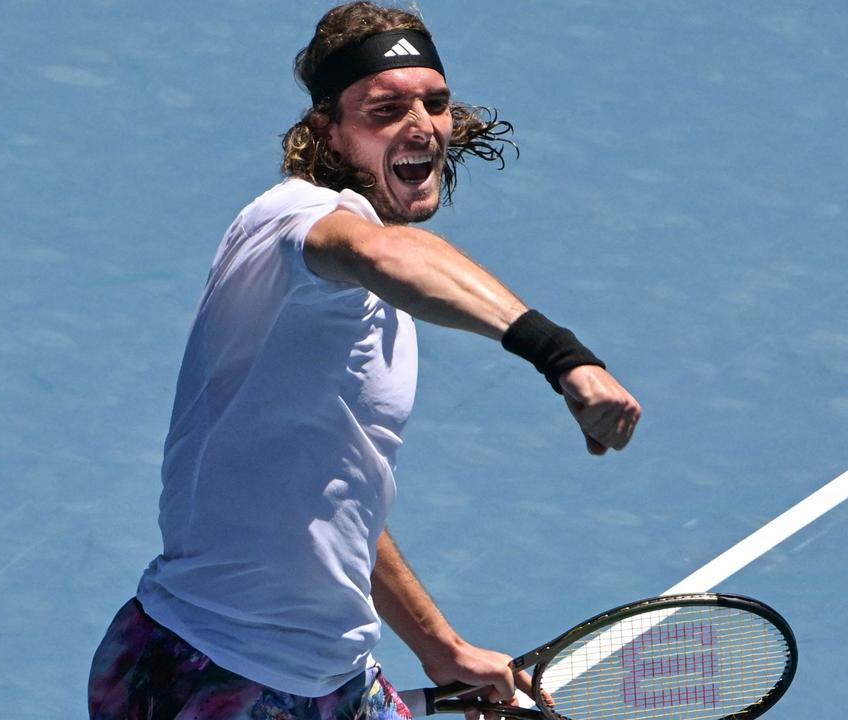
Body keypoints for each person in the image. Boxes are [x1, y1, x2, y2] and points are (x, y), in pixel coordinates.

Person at [88, 3, 641, 719]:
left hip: (330, 676)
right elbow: (380, 252)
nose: (421, 125)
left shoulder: (363, 302)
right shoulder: (297, 222)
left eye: (435, 103)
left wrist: (438, 644)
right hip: (213, 673)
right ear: (327, 132)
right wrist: (562, 357)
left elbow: (329, 490)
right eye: (385, 109)